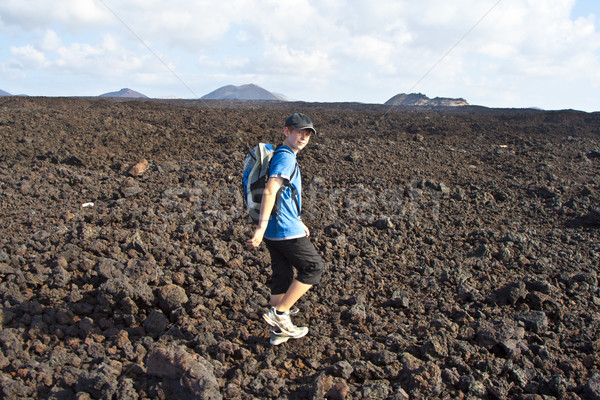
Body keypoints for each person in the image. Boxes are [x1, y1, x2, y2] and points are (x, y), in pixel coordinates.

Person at [245, 113, 324, 343]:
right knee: (314, 267)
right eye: (299, 132)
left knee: (283, 274)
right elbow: (270, 190)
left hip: (275, 228)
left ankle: (277, 333)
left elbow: (284, 195)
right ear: (286, 131)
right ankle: (279, 314)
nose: (304, 137)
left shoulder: (280, 155)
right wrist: (260, 228)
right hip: (281, 228)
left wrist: (296, 221)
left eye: (307, 134)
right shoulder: (286, 157)